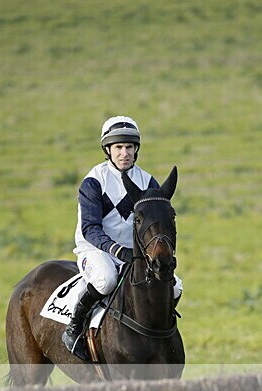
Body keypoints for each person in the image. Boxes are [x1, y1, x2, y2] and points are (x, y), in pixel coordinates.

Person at [62, 115, 182, 360]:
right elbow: (90, 229)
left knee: (176, 286)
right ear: (108, 150)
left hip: (136, 255)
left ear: (136, 150)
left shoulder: (148, 181)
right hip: (97, 251)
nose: (124, 153)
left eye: (129, 147)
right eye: (118, 147)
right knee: (106, 280)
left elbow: (156, 225)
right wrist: (117, 251)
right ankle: (74, 327)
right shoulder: (94, 182)